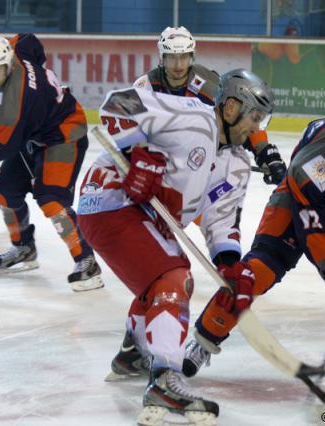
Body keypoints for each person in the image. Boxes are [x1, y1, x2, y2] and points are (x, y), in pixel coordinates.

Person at [76, 69, 274, 424]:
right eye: (254, 118)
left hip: (143, 216)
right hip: (110, 197)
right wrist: (139, 153)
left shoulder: (238, 166)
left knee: (169, 278)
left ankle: (134, 353)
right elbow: (117, 104)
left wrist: (230, 265)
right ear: (230, 108)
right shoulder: (192, 117)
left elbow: (221, 222)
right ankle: (164, 380)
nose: (256, 129)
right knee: (173, 276)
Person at [182, 93, 325, 377]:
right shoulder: (310, 165)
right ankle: (205, 338)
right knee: (255, 274)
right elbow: (312, 225)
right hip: (293, 210)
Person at [0, 34, 103, 292]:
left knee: (50, 198)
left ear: (7, 65)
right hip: (32, 134)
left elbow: (2, 145)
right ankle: (23, 247)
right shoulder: (16, 50)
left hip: (64, 135)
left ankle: (86, 261)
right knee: (6, 190)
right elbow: (29, 40)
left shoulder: (12, 103)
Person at [134, 25, 287, 185]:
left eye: (184, 57)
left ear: (192, 56)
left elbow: (240, 119)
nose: (179, 66)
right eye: (172, 58)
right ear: (162, 58)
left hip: (198, 160)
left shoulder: (208, 84)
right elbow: (131, 129)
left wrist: (265, 153)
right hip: (157, 163)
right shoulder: (145, 86)